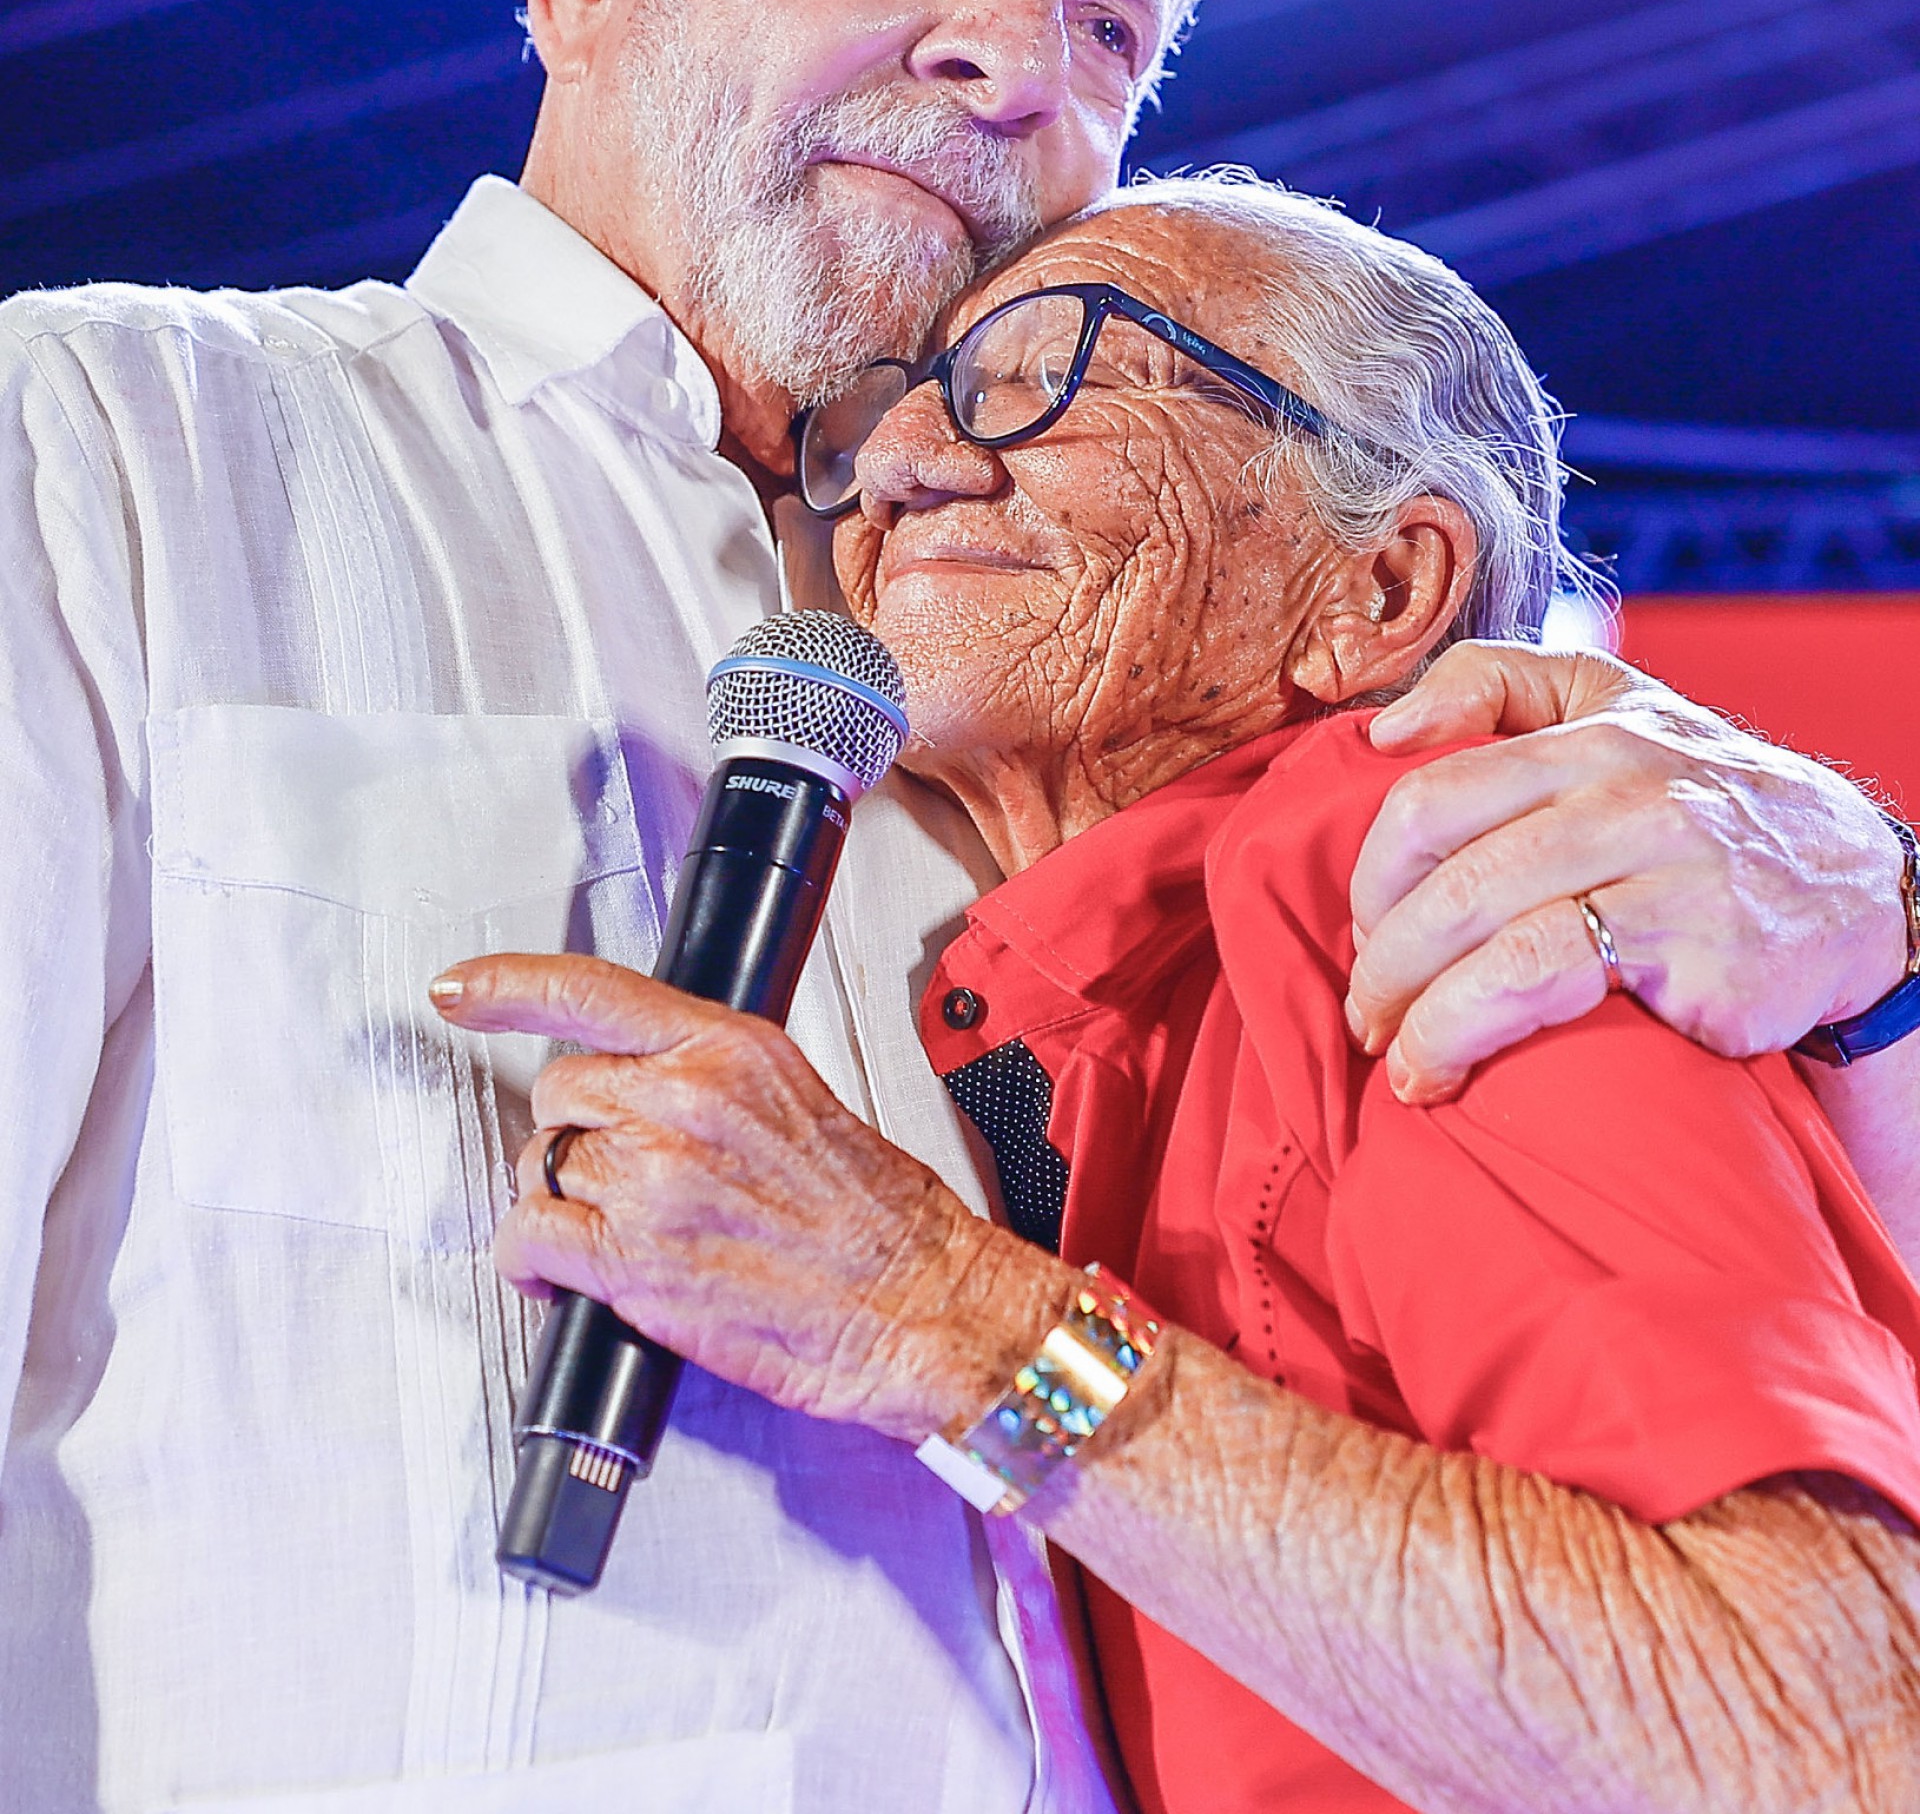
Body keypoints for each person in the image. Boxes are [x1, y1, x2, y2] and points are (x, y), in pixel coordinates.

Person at [0, 0, 1911, 1808]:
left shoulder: (1140, 681)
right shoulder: (111, 448)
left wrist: (1881, 934)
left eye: (1115, 19)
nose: (1018, 57)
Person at [439, 176, 1920, 1814]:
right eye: (907, 402)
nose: (906, 465)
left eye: (1046, 374)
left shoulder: (1448, 881)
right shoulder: (1083, 1010)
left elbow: (1820, 1735)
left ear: (1379, 591)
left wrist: (942, 1314)